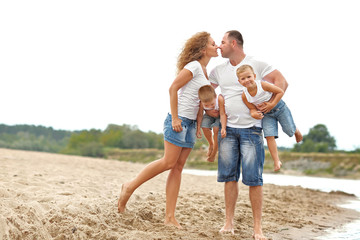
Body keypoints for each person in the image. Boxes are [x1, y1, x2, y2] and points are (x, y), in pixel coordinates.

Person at [117, 31, 218, 228]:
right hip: (178, 121)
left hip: (189, 125)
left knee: (178, 167)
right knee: (168, 162)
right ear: (203, 49)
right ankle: (129, 186)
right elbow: (173, 88)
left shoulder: (204, 72)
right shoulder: (193, 66)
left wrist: (198, 126)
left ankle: (170, 217)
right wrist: (175, 118)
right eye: (214, 44)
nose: (217, 47)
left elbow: (199, 101)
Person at [209, 30, 288, 240]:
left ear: (234, 43)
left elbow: (282, 83)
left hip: (252, 130)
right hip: (228, 130)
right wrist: (210, 109)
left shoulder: (258, 64)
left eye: (222, 42)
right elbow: (206, 92)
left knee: (254, 179)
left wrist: (270, 106)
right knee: (229, 177)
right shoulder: (218, 70)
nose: (219, 46)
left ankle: (257, 229)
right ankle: (228, 223)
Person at [236, 64, 303, 171]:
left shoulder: (262, 85)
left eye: (249, 77)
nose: (247, 80)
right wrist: (254, 113)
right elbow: (252, 108)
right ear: (239, 81)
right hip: (266, 115)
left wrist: (271, 104)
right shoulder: (245, 96)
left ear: (254, 76)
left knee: (289, 130)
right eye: (243, 79)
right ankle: (276, 160)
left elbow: (280, 91)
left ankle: (296, 130)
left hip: (280, 108)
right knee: (269, 136)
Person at [196, 85, 227, 162]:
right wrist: (198, 128)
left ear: (215, 97)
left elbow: (223, 114)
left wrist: (223, 127)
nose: (210, 106)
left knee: (216, 129)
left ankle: (214, 153)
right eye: (206, 105)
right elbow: (200, 115)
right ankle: (211, 144)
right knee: (204, 125)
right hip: (208, 115)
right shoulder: (201, 104)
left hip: (220, 116)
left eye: (212, 104)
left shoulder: (219, 99)